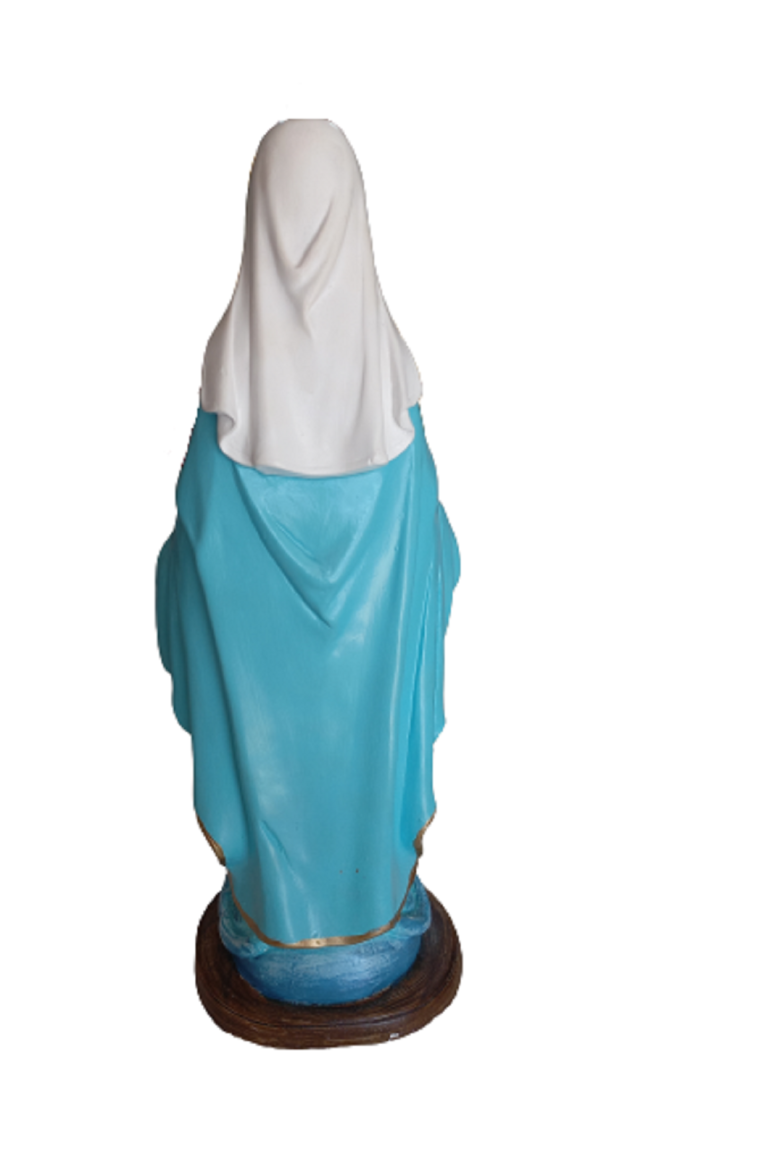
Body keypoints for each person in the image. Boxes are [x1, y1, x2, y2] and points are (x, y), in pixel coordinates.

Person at [156, 120, 459, 1005]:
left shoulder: (230, 397)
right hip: (376, 741)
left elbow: (188, 581)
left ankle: (278, 926)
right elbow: (433, 571)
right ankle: (370, 920)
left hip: (259, 818)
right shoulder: (392, 403)